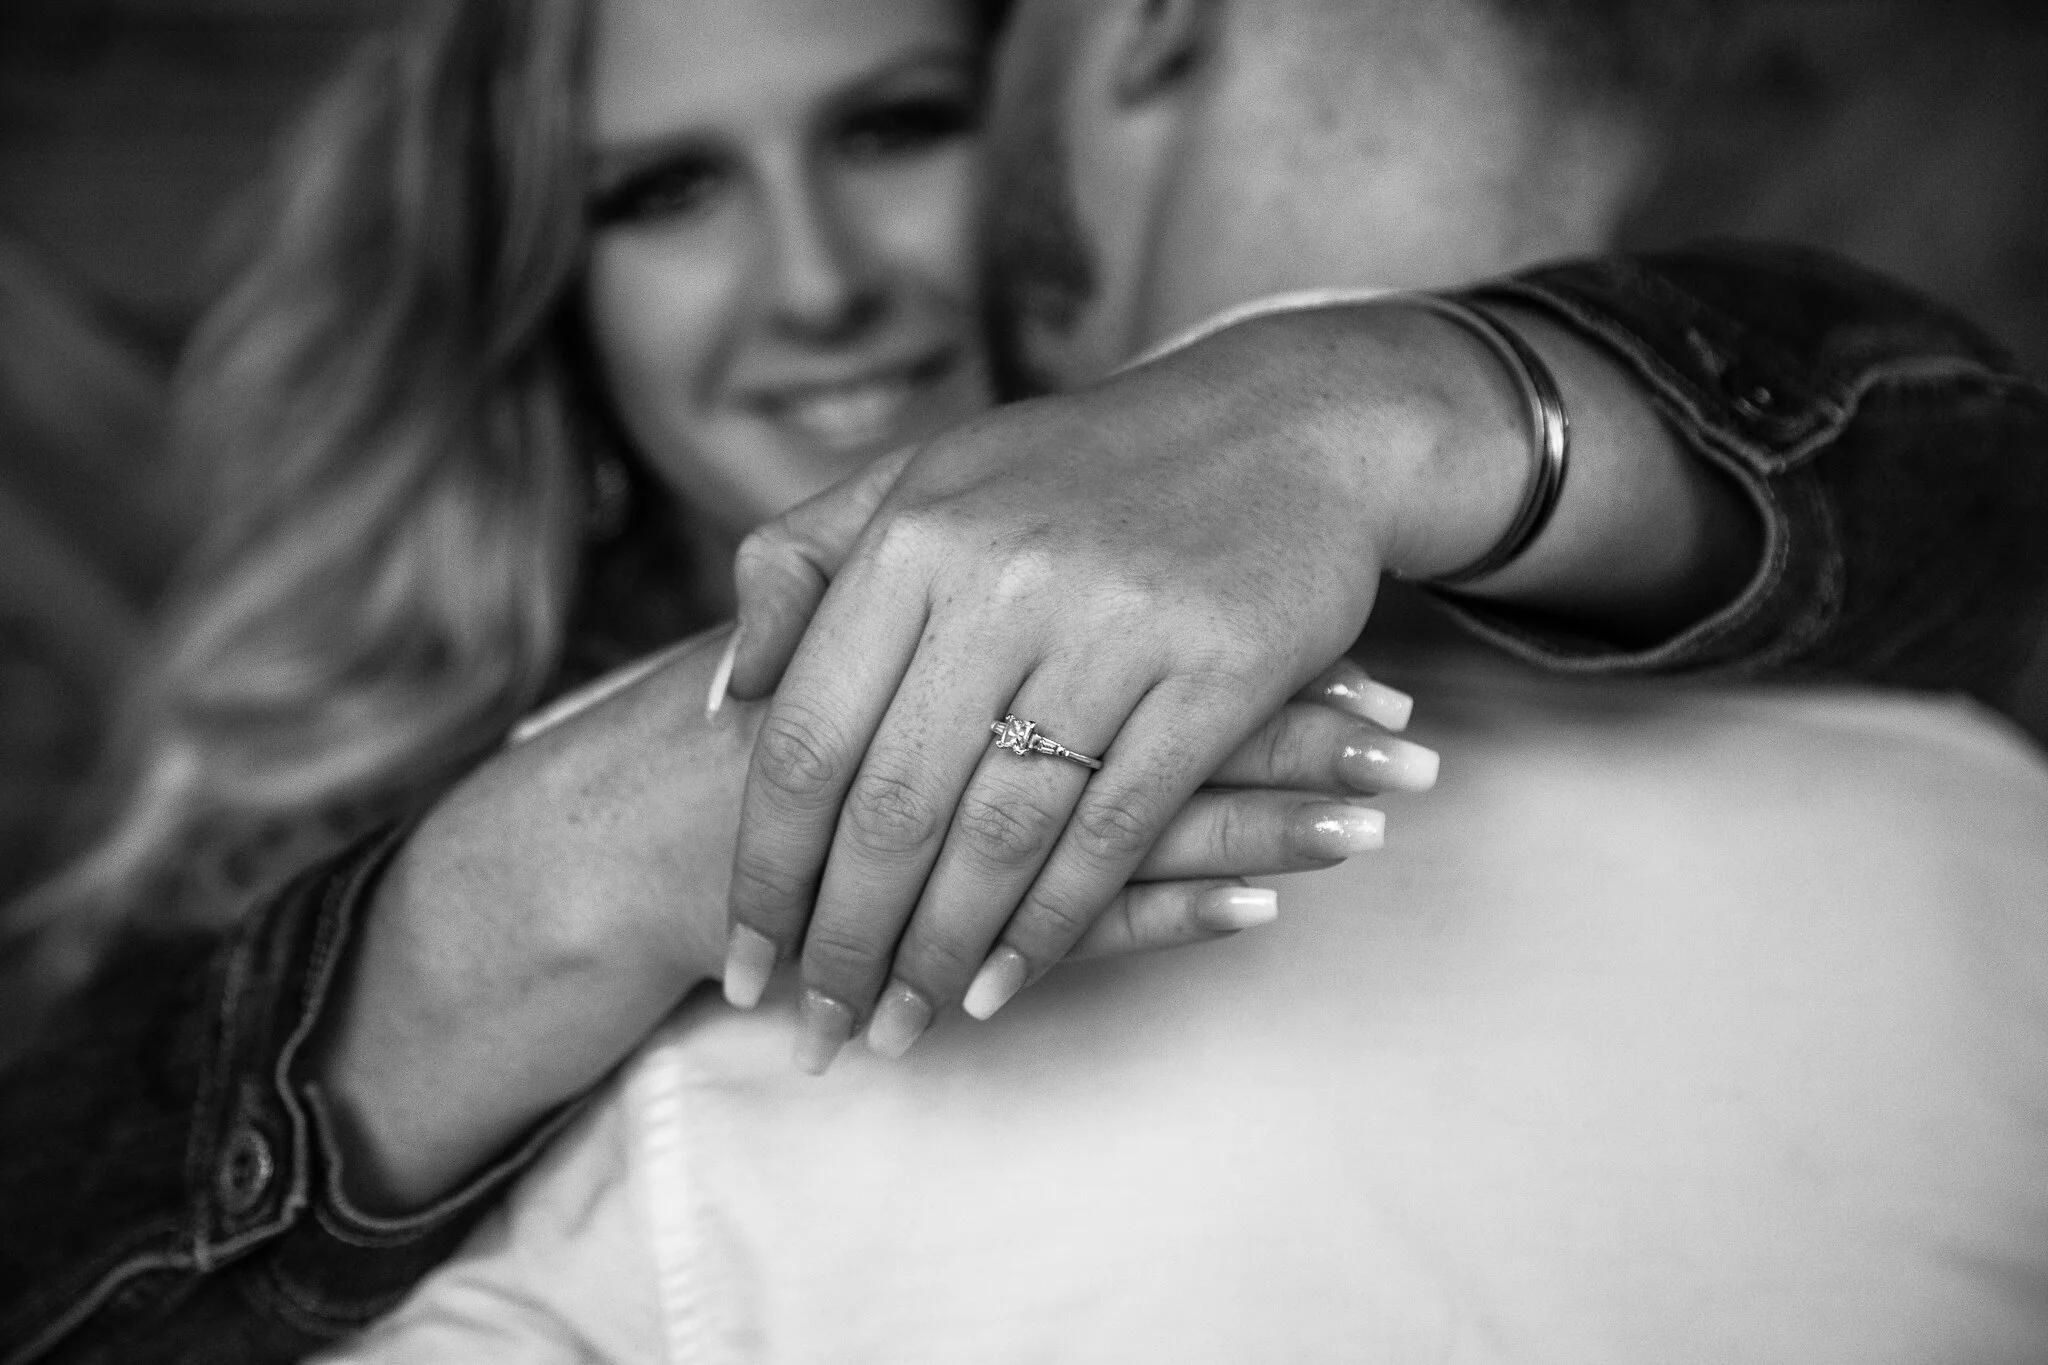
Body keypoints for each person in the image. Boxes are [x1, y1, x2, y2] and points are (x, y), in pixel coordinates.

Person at [3, 0, 2046, 1358]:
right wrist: (547, 877)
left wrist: (1334, 401)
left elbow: (1943, 478)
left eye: (894, 128)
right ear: (547, 295)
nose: (817, 282)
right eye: (668, 192)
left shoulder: (1720, 710)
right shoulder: (303, 841)